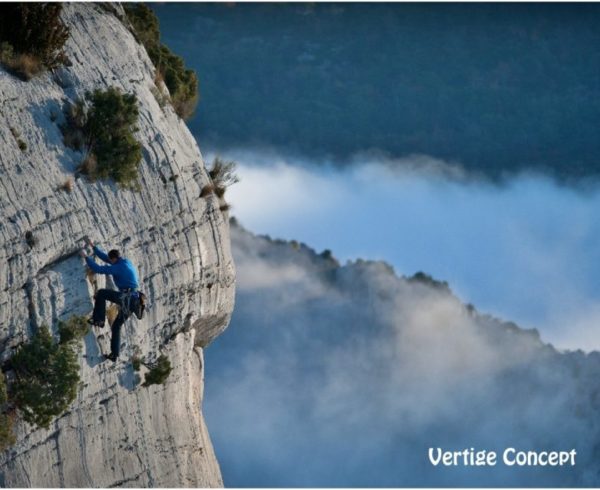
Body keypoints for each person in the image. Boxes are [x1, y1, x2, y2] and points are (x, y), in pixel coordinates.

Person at [79, 238, 140, 362]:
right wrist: (93, 247)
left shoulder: (117, 268)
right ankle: (114, 355)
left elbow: (98, 269)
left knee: (101, 293)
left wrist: (86, 257)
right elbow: (106, 259)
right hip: (134, 301)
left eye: (110, 260)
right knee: (116, 326)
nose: (109, 261)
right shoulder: (125, 262)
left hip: (126, 298)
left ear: (114, 259)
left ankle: (99, 320)